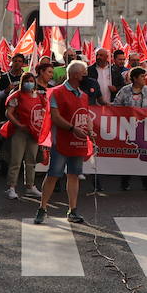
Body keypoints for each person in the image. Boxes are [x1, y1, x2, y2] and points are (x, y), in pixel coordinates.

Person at [35, 60, 93, 225]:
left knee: (73, 175)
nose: (86, 76)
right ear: (75, 75)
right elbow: (55, 116)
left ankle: (73, 210)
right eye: (84, 73)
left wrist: (89, 129)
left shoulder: (83, 95)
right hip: (61, 141)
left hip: (78, 142)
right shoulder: (57, 93)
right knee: (53, 174)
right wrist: (72, 129)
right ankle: (42, 208)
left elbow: (85, 115)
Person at [113, 66, 147, 191]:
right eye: (142, 76)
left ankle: (146, 182)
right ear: (134, 78)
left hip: (145, 129)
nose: (145, 79)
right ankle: (125, 182)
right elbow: (116, 106)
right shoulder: (124, 91)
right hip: (128, 129)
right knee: (128, 156)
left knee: (145, 155)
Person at [3, 71, 44, 200]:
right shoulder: (16, 96)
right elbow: (8, 113)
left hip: (34, 132)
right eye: (27, 81)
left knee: (31, 160)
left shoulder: (39, 96)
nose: (29, 83)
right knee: (16, 160)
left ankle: (30, 187)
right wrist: (19, 124)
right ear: (22, 82)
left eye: (32, 81)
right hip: (20, 132)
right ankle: (11, 187)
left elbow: (44, 110)